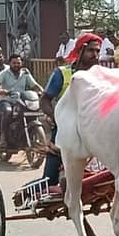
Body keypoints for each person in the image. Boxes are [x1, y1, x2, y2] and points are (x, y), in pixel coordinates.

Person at [40, 33, 102, 191]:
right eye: (91, 51)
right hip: (64, 131)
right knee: (49, 179)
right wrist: (58, 119)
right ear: (81, 51)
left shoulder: (100, 76)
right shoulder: (62, 74)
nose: (95, 55)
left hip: (93, 130)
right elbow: (45, 100)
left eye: (98, 51)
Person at [0, 54, 43, 147]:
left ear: (21, 63)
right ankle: (2, 136)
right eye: (14, 63)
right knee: (7, 111)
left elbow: (35, 85)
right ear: (10, 63)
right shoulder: (4, 73)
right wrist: (2, 91)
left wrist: (42, 91)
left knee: (33, 111)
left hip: (22, 100)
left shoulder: (25, 73)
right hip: (7, 100)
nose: (16, 65)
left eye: (18, 63)